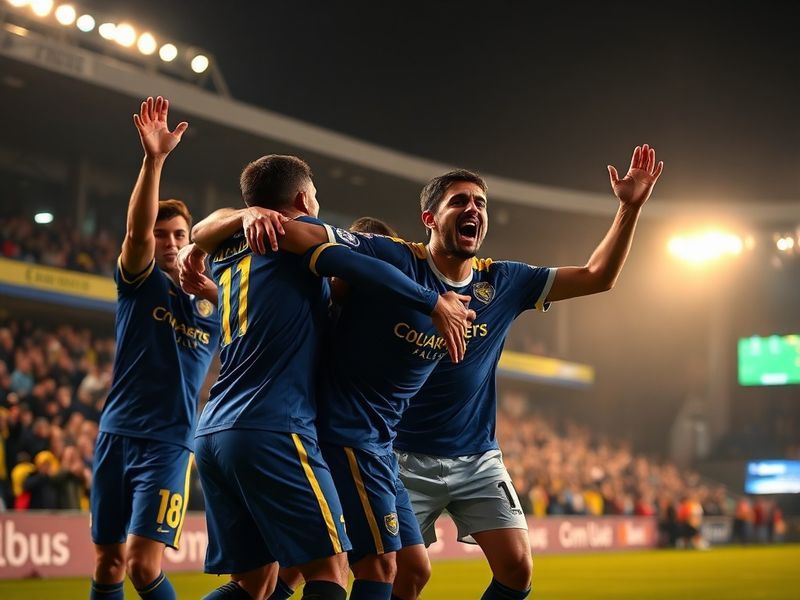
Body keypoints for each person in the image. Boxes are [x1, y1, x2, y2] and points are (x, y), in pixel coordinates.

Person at [182, 156, 473, 600]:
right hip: (273, 425)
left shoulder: (230, 244)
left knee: (258, 583)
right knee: (332, 570)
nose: (319, 203)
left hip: (215, 429)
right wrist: (434, 301)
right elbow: (366, 266)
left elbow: (205, 230)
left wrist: (206, 241)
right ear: (302, 199)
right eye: (316, 195)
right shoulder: (293, 240)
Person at [392, 145, 663, 599]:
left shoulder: (502, 281)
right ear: (430, 219)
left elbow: (599, 276)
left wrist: (628, 209)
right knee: (406, 577)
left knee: (517, 570)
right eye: (459, 201)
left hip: (477, 456)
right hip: (401, 457)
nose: (473, 209)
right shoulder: (399, 266)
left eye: (480, 203)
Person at [90, 96, 220, 600]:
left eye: (179, 235)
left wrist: (216, 295)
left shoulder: (219, 300)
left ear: (193, 241)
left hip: (168, 445)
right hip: (115, 435)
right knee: (107, 564)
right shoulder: (141, 284)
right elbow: (135, 233)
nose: (169, 242)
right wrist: (154, 160)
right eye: (162, 234)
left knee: (143, 565)